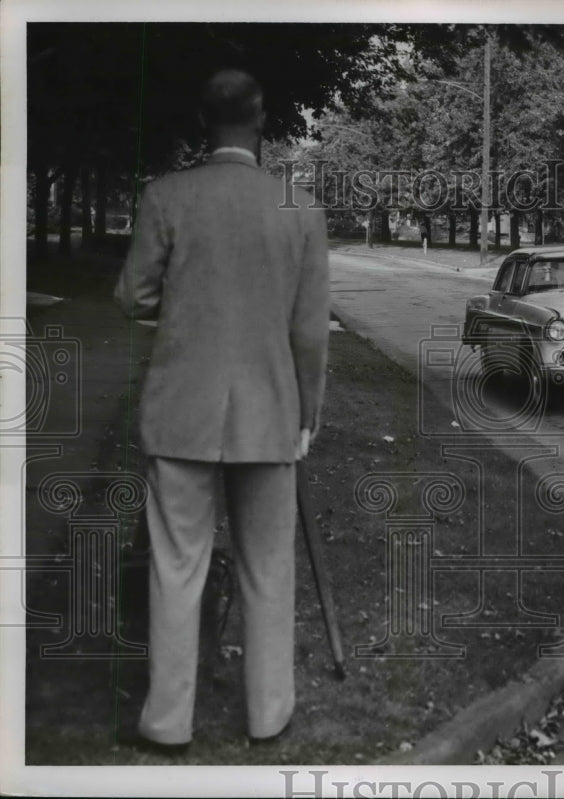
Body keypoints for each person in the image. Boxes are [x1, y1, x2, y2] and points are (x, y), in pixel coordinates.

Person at [114, 69, 330, 752]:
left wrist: (179, 308)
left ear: (204, 120)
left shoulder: (166, 194)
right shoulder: (299, 203)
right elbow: (310, 330)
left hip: (182, 407)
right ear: (261, 118)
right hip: (271, 411)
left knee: (176, 565)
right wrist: (308, 411)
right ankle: (268, 712)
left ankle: (166, 720)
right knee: (269, 566)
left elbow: (131, 297)